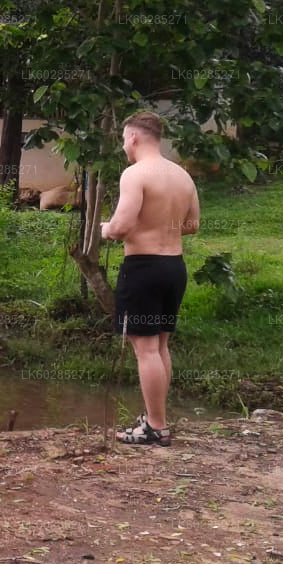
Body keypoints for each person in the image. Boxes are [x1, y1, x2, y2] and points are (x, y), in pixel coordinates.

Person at [101, 111, 200, 447]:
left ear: (134, 137)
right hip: (174, 267)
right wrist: (162, 228)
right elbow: (193, 225)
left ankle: (156, 427)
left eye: (123, 140)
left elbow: (121, 225)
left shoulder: (135, 174)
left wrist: (106, 230)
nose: (123, 146)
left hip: (143, 267)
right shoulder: (182, 176)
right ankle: (155, 418)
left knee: (145, 349)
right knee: (159, 345)